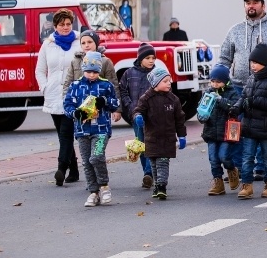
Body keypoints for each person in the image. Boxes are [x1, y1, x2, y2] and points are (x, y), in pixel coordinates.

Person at [218, 0, 267, 180]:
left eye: (255, 3)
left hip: (266, 88)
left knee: (261, 128)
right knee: (238, 128)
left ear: (263, 6)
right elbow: (225, 57)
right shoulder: (235, 30)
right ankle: (241, 167)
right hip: (238, 87)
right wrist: (222, 77)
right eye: (248, 3)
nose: (251, 6)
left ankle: (261, 168)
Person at [63, 52, 120, 207]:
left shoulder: (106, 85)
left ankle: (104, 186)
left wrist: (105, 101)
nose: (91, 75)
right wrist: (75, 113)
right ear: (83, 69)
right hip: (82, 131)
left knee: (96, 157)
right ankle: (93, 192)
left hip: (101, 130)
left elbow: (115, 103)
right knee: (87, 162)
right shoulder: (75, 86)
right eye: (88, 71)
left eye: (95, 72)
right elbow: (67, 105)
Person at [231, 43, 267, 200]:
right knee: (247, 156)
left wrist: (254, 100)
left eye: (256, 62)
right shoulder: (251, 79)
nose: (253, 66)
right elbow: (243, 98)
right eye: (251, 62)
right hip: (249, 125)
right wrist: (236, 108)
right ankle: (246, 185)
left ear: (266, 62)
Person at [35, 8, 81, 186]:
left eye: (68, 24)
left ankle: (61, 169)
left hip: (72, 95)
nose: (66, 27)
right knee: (62, 134)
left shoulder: (78, 42)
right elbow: (40, 70)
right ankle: (74, 169)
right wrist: (44, 87)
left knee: (66, 133)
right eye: (62, 24)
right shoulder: (48, 44)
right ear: (55, 26)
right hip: (53, 94)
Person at [133, 68, 187, 200]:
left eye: (169, 81)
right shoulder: (146, 98)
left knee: (163, 162)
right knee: (154, 163)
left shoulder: (173, 99)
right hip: (151, 138)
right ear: (155, 83)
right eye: (165, 81)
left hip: (167, 138)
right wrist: (138, 117)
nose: (169, 83)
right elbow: (138, 110)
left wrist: (182, 136)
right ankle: (157, 184)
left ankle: (162, 186)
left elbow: (180, 119)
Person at [198, 64, 242, 196]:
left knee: (224, 156)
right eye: (212, 81)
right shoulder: (207, 93)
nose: (215, 84)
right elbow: (201, 108)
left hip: (226, 132)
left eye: (218, 81)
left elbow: (234, 108)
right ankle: (218, 182)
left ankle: (232, 169)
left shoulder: (232, 92)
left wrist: (220, 100)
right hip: (211, 131)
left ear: (225, 81)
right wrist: (202, 116)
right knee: (213, 158)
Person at [119, 43, 157, 188]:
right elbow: (122, 90)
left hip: (154, 115)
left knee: (152, 144)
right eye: (147, 57)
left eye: (153, 58)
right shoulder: (129, 73)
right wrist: (130, 106)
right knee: (141, 143)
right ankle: (147, 173)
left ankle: (150, 173)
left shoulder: (157, 73)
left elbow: (165, 90)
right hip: (136, 115)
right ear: (140, 58)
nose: (151, 60)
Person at [63, 30, 118, 101]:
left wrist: (117, 110)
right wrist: (67, 103)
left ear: (96, 43)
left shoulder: (105, 61)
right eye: (83, 43)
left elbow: (113, 86)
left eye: (89, 42)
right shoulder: (75, 61)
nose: (86, 45)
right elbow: (67, 84)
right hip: (78, 106)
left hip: (99, 106)